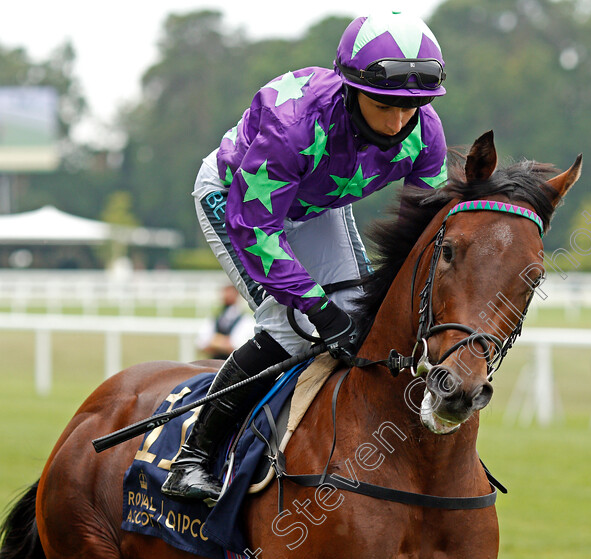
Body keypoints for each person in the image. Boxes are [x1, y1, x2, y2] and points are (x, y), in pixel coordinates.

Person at [162, 11, 449, 503]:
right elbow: (256, 227)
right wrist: (316, 306)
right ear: (350, 88)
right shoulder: (294, 127)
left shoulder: (426, 133)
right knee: (290, 327)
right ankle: (194, 455)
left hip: (316, 206)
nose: (400, 122)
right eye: (385, 104)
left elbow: (420, 235)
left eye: (414, 106)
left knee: (363, 317)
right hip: (239, 202)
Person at [194, 284, 254, 360]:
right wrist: (225, 343)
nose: (226, 297)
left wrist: (215, 341)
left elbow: (237, 347)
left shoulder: (246, 321)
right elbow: (201, 344)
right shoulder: (214, 318)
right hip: (214, 365)